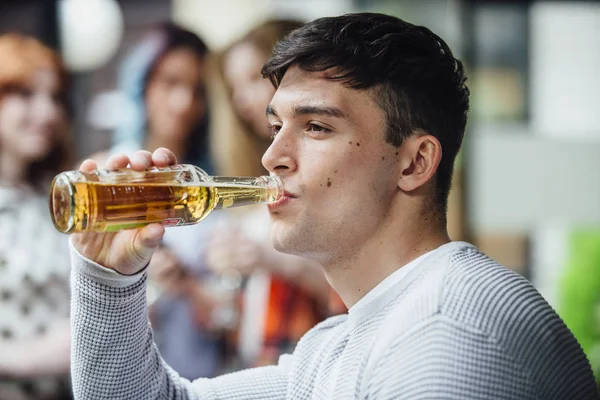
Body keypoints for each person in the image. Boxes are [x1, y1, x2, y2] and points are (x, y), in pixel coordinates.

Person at [68, 13, 599, 399]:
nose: (272, 155)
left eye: (316, 127)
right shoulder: (341, 345)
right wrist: (107, 276)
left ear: (414, 163)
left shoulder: (445, 335)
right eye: (276, 127)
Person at [92, 22, 224, 379]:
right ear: (143, 84)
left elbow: (227, 315)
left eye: (197, 90)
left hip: (199, 374)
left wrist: (187, 285)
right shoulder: (105, 177)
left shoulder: (211, 185)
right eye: (170, 82)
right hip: (124, 372)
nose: (184, 103)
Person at [206, 19, 338, 368]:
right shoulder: (253, 169)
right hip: (254, 360)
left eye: (252, 78)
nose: (241, 99)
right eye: (234, 86)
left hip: (307, 358)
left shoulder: (323, 172)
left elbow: (352, 291)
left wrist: (268, 258)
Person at [0, 34, 72, 399]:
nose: (48, 113)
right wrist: (33, 357)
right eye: (26, 95)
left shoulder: (54, 194)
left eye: (54, 97)